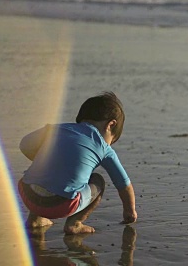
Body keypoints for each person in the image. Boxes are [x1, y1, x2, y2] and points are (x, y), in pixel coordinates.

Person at [17, 92, 137, 234]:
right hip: (62, 205)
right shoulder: (104, 148)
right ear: (110, 125)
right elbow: (124, 184)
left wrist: (49, 161)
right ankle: (75, 223)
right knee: (98, 180)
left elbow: (24, 145)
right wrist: (130, 211)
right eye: (112, 140)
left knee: (43, 174)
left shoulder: (55, 129)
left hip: (27, 194)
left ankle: (34, 220)